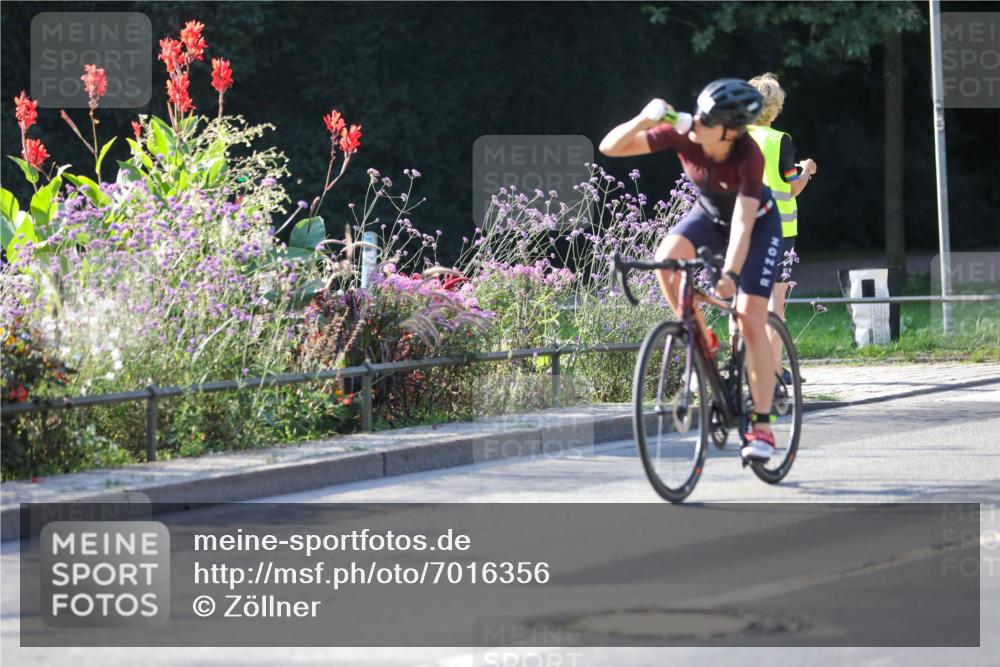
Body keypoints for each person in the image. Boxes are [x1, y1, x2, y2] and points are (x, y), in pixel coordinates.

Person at [599, 78, 782, 462]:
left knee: (750, 318)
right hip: (709, 215)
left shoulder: (748, 156)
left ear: (731, 132)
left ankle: (762, 427)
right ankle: (702, 338)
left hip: (757, 225)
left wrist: (730, 274)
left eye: (709, 120)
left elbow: (743, 225)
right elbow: (610, 147)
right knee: (666, 259)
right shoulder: (684, 133)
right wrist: (642, 120)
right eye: (699, 112)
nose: (698, 121)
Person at [746, 73, 817, 384]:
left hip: (743, 226)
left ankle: (745, 367)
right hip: (780, 230)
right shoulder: (779, 140)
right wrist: (807, 170)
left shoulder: (738, 136)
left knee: (745, 298)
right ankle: (775, 370)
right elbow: (792, 188)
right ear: (774, 107)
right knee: (776, 299)